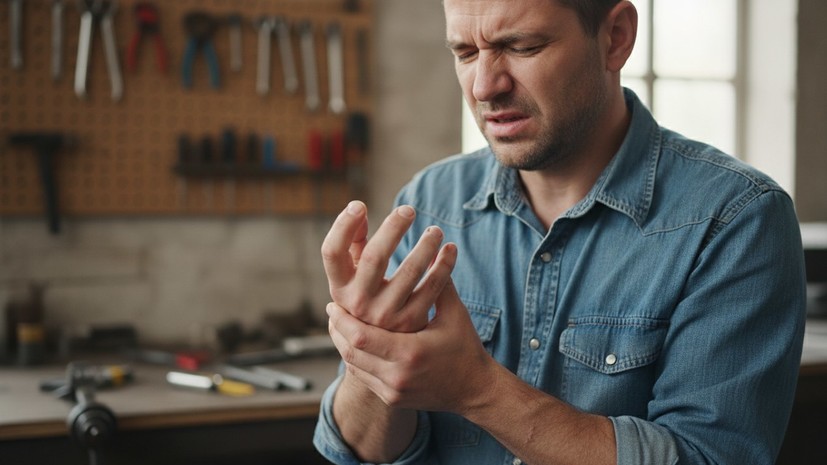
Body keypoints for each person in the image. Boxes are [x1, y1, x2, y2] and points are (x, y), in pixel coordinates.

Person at [314, 0, 807, 464]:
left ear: (615, 38)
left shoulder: (735, 219)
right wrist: (368, 357)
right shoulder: (429, 203)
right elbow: (359, 452)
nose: (485, 86)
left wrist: (476, 389)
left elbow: (706, 457)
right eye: (465, 52)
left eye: (522, 46)